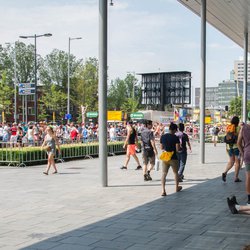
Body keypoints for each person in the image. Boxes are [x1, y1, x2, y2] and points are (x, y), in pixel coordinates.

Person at [160, 122, 182, 196]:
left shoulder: (163, 136)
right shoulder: (175, 137)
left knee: (164, 174)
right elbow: (177, 149)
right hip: (173, 157)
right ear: (175, 130)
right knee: (175, 173)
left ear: (169, 129)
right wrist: (179, 149)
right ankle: (176, 187)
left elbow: (161, 148)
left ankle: (163, 190)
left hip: (165, 157)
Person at [222, 116, 241, 182]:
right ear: (238, 122)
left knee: (231, 161)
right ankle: (236, 177)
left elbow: (227, 137)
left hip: (229, 147)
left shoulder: (228, 127)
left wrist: (226, 148)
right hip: (237, 147)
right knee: (237, 162)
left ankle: (225, 172)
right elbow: (240, 138)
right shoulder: (239, 128)